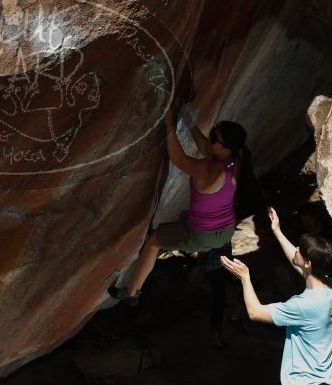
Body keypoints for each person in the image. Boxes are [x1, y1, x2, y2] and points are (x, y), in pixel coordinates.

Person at [221, 206, 332, 385]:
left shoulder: (304, 305)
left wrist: (245, 278)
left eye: (300, 251)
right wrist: (276, 230)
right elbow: (300, 265)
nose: (295, 250)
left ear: (308, 262)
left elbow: (255, 312)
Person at [109, 107, 255, 306]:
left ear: (226, 147)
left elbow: (179, 159)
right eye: (212, 133)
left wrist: (169, 125)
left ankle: (132, 293)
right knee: (183, 215)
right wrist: (189, 123)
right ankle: (179, 234)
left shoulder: (208, 169)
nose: (210, 138)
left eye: (214, 138)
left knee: (153, 241)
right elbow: (206, 147)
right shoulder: (235, 160)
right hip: (225, 230)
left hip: (203, 235)